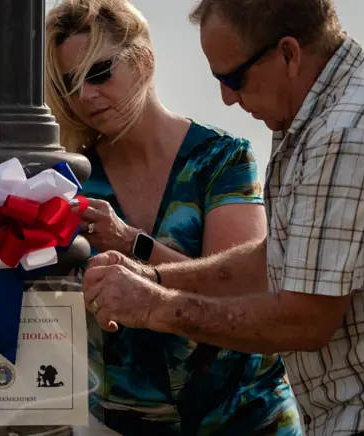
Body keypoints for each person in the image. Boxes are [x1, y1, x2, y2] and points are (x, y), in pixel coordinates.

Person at [81, 0, 364, 435]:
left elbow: (304, 319)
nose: (226, 97)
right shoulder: (316, 105)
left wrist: (153, 306)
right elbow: (273, 260)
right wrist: (157, 278)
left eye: (233, 78)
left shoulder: (351, 131)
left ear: (289, 54)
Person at [45, 0, 302, 435]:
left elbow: (244, 290)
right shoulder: (70, 181)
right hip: (123, 426)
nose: (85, 95)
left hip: (246, 419)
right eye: (70, 82)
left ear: (143, 60)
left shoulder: (220, 159)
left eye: (99, 72)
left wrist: (130, 242)